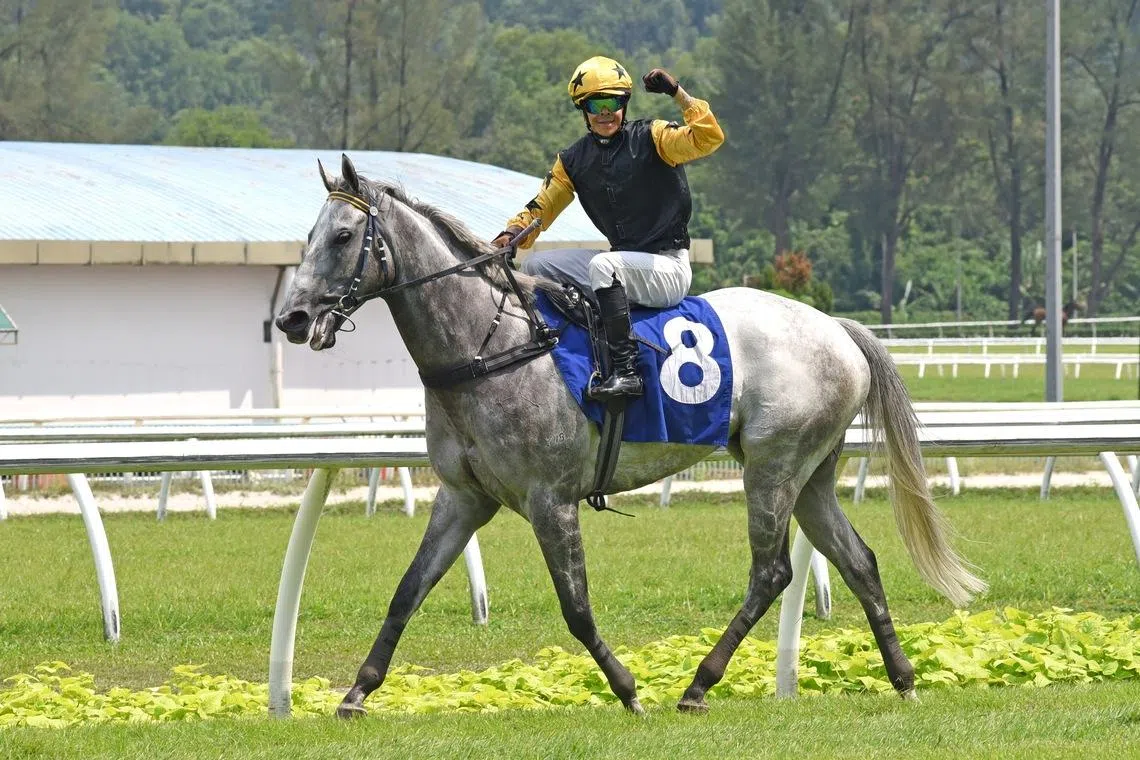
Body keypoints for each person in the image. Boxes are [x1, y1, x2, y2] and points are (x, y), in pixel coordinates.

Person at [492, 55, 724, 402]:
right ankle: (563, 351)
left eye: (613, 102)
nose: (605, 112)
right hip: (624, 265)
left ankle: (626, 372)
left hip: (668, 269)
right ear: (583, 109)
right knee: (535, 266)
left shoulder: (655, 136)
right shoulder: (573, 160)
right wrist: (511, 235)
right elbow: (543, 207)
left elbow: (709, 138)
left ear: (624, 104)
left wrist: (678, 94)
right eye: (596, 104)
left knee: (604, 265)